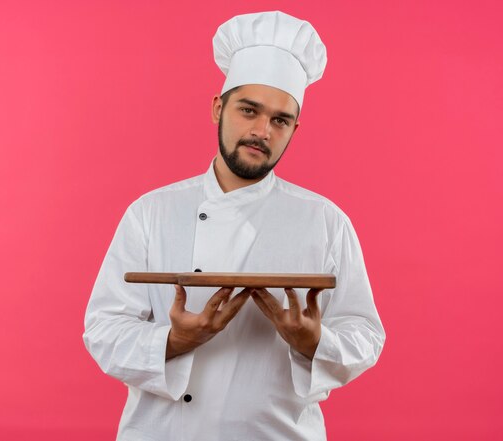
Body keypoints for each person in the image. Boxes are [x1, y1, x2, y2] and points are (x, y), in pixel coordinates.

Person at [83, 11, 385, 441]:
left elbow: (365, 335)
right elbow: (103, 330)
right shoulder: (150, 212)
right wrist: (173, 342)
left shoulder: (325, 221)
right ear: (218, 108)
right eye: (249, 110)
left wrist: (313, 342)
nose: (261, 131)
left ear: (294, 129)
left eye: (280, 120)